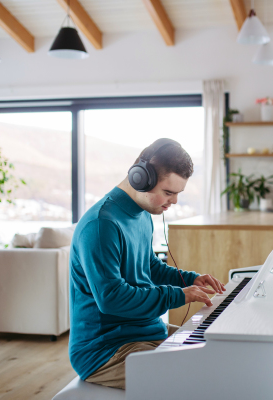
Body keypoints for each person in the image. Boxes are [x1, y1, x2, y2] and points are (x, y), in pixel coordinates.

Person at [68, 138, 225, 389]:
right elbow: (111, 298)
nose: (173, 202)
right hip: (106, 351)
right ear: (140, 178)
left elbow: (149, 267)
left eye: (177, 194)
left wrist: (189, 278)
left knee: (220, 352)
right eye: (168, 192)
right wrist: (178, 295)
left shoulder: (142, 214)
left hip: (146, 334)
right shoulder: (101, 225)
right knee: (196, 382)